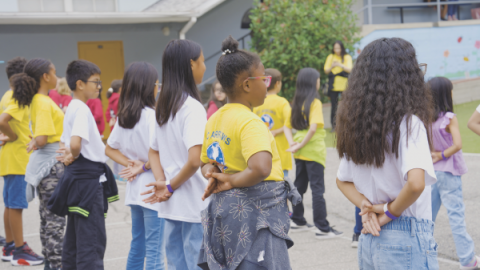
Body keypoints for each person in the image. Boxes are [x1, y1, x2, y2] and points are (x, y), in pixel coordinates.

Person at [196, 35, 300, 269]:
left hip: (227, 217)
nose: (267, 83)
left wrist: (212, 173)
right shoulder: (250, 122)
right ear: (246, 84)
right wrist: (231, 180)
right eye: (264, 78)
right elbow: (261, 167)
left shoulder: (214, 119)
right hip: (256, 219)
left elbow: (204, 163)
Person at [335, 37, 439, 269]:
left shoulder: (353, 125)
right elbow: (415, 184)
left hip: (370, 238)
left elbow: (342, 181)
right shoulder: (409, 124)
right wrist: (388, 214)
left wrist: (367, 208)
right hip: (405, 234)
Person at [141, 39, 209, 270]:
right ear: (191, 65)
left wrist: (163, 182)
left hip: (172, 206)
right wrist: (168, 186)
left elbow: (153, 151)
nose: (205, 67)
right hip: (193, 204)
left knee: (178, 265)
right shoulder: (192, 107)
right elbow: (195, 160)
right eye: (202, 61)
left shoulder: (164, 105)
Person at [47, 60, 119, 270]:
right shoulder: (82, 110)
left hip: (77, 179)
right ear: (80, 84)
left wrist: (69, 154)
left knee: (75, 238)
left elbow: (64, 141)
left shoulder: (71, 107)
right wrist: (73, 154)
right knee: (92, 240)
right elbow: (75, 143)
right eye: (96, 82)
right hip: (87, 180)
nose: (99, 86)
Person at [105, 62, 165, 270]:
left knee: (137, 246)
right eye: (157, 83)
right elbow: (160, 153)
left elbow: (110, 149)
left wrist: (131, 164)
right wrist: (142, 166)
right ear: (150, 87)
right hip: (153, 188)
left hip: (135, 189)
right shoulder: (154, 116)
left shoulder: (125, 117)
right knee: (155, 250)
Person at [9, 58, 66, 269]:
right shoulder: (42, 102)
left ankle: (51, 263)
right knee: (55, 222)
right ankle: (57, 264)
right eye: (55, 72)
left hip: (48, 166)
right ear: (46, 76)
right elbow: (42, 138)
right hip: (52, 167)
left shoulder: (40, 100)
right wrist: (35, 141)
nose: (58, 77)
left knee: (48, 219)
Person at [284, 68, 342, 239]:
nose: (319, 82)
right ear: (312, 82)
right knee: (317, 189)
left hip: (300, 152)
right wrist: (300, 143)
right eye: (318, 80)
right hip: (313, 151)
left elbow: (287, 126)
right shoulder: (314, 102)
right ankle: (322, 227)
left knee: (299, 186)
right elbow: (314, 127)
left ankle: (298, 219)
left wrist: (293, 144)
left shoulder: (296, 102)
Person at [428, 77, 479, 269]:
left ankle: (424, 254)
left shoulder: (427, 119)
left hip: (432, 174)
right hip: (449, 173)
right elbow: (458, 144)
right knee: (456, 217)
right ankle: (467, 260)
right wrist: (442, 155)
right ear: (445, 94)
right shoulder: (449, 118)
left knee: (427, 218)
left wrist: (434, 156)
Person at [0, 57, 45, 266]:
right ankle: (19, 250)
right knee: (16, 205)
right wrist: (13, 136)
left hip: (9, 157)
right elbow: (3, 121)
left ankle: (9, 246)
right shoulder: (18, 98)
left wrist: (8, 136)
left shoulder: (7, 95)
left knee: (10, 205)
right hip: (18, 157)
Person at [253, 68, 293, 178]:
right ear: (278, 83)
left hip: (263, 151)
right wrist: (277, 131)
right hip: (281, 152)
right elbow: (290, 122)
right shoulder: (282, 102)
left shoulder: (258, 102)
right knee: (283, 182)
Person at [323, 40, 352, 132]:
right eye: (335, 48)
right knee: (334, 106)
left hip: (344, 86)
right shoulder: (331, 57)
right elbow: (326, 70)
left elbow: (350, 69)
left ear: (342, 48)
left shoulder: (347, 57)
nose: (336, 50)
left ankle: (346, 125)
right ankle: (333, 126)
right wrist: (332, 66)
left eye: (338, 48)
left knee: (346, 105)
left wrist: (339, 65)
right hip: (333, 86)